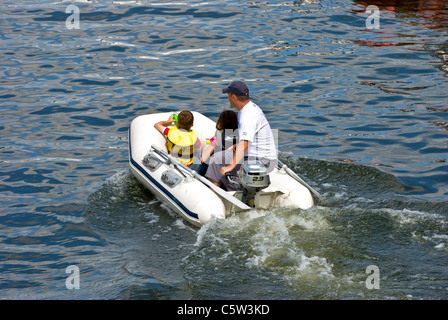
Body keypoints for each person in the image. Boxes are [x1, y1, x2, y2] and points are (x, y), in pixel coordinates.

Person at [205, 80, 277, 190]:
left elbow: (244, 143)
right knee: (224, 156)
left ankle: (224, 193)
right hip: (263, 156)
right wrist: (236, 146)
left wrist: (230, 166)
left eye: (228, 95)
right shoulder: (251, 108)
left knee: (216, 159)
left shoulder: (248, 115)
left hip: (260, 160)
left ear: (233, 97)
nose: (228, 98)